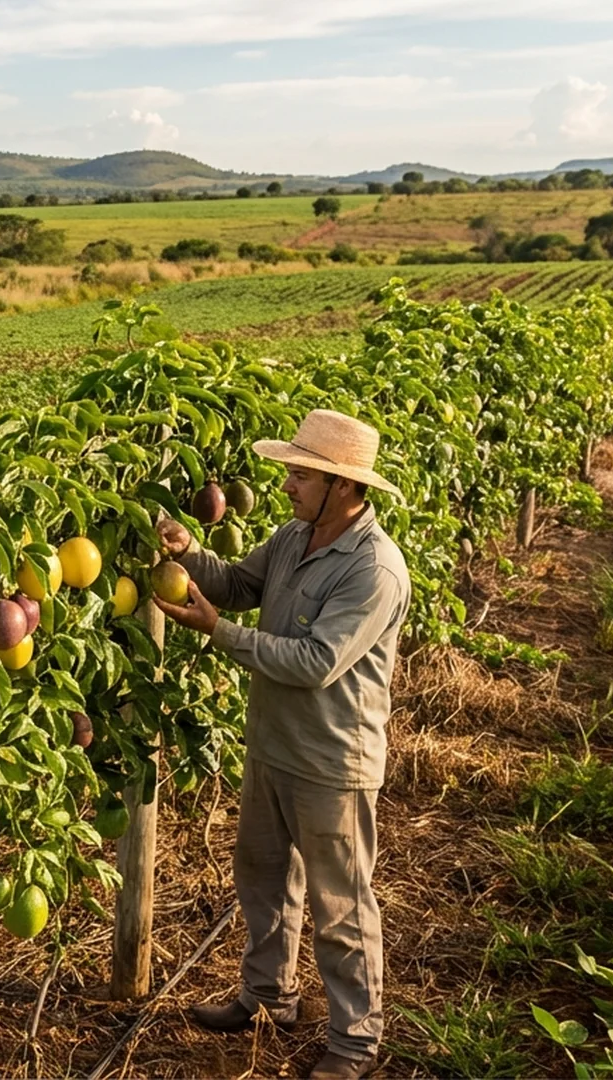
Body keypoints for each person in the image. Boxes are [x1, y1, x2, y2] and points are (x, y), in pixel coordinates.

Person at [150, 409, 410, 1080]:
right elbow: (239, 585)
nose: (288, 485)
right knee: (264, 881)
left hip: (332, 763)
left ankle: (355, 1042)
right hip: (273, 746)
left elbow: (315, 661)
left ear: (343, 487)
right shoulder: (295, 537)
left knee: (341, 905)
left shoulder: (374, 569)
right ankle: (268, 997)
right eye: (291, 472)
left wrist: (220, 634)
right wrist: (188, 555)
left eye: (300, 474)